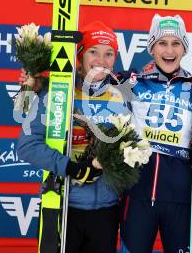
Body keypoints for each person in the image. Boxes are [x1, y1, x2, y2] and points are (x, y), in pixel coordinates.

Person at [119, 14, 192, 253]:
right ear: (151, 47)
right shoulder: (133, 82)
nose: (169, 50)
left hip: (182, 197)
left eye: (176, 44)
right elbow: (91, 88)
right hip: (137, 195)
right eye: (162, 43)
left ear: (184, 49)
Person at [17, 21, 125, 253]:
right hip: (63, 205)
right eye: (93, 52)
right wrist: (71, 168)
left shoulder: (123, 95)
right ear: (79, 56)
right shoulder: (57, 91)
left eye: (109, 54)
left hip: (106, 210)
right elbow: (27, 145)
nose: (101, 60)